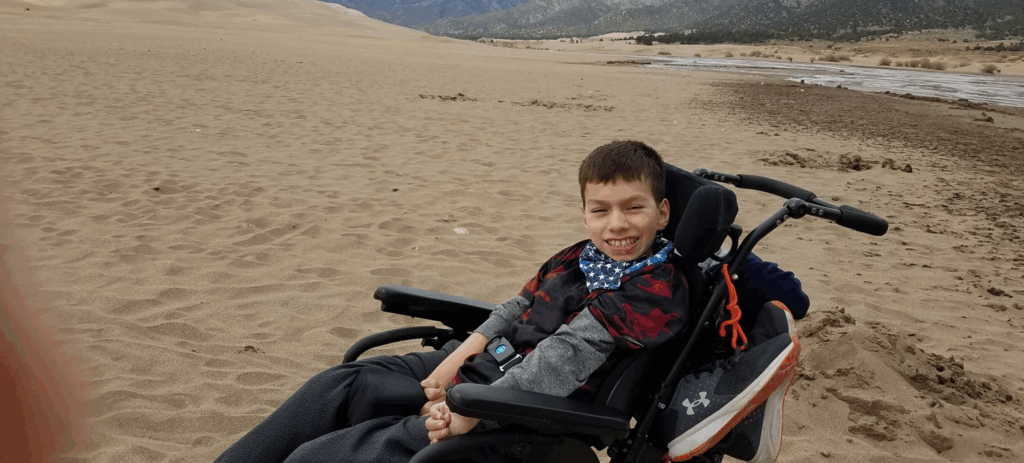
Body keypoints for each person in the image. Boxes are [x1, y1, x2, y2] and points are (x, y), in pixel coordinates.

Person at [214, 140, 807, 463]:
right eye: (600, 210)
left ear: (664, 212)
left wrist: (470, 407)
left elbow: (565, 358)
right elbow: (516, 306)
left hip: (524, 400)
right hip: (480, 365)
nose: (616, 224)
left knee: (329, 455)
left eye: (634, 208)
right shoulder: (577, 256)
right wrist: (453, 360)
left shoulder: (655, 290)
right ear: (583, 212)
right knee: (340, 386)